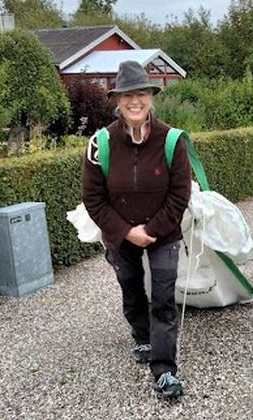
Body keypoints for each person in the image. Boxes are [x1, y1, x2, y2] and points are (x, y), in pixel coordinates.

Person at [81, 60, 191, 399]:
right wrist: (128, 232)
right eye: (127, 95)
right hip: (120, 233)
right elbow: (93, 198)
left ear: (151, 98)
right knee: (130, 288)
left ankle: (164, 370)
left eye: (141, 94)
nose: (135, 101)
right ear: (117, 100)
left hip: (164, 233)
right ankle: (142, 336)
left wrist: (152, 230)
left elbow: (180, 194)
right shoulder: (100, 144)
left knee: (163, 297)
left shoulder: (172, 141)